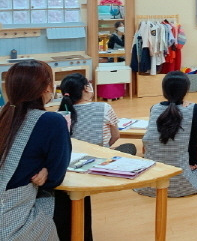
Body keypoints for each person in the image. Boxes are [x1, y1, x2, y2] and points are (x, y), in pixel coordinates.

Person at [0, 60, 71, 241]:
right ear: (47, 87)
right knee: (68, 199)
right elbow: (55, 178)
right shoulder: (52, 121)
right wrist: (48, 169)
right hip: (12, 221)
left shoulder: (4, 116)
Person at [136, 71, 197, 197]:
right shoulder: (195, 108)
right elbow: (193, 142)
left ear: (164, 90)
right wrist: (194, 163)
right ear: (186, 90)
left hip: (151, 180)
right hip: (183, 181)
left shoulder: (154, 108)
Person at [58, 73, 136, 155]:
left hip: (73, 157)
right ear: (86, 88)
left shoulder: (60, 113)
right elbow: (116, 135)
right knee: (129, 147)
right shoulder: (104, 107)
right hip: (100, 157)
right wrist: (105, 148)